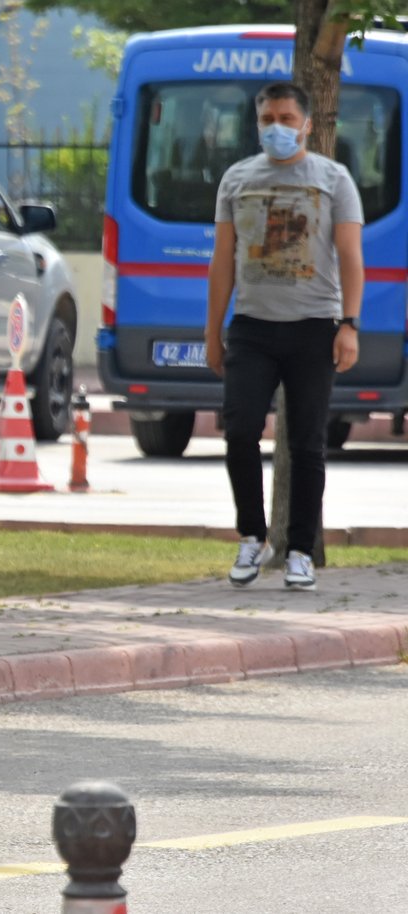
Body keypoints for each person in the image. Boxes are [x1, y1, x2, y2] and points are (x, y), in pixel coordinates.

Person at [206, 81, 363, 592]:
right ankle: (253, 536)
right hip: (252, 327)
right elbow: (222, 261)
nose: (277, 127)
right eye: (269, 118)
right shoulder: (237, 179)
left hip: (314, 326)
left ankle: (300, 550)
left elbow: (350, 257)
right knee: (239, 429)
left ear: (308, 124)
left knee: (307, 442)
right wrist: (214, 333)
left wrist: (349, 324)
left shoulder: (332, 178)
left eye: (287, 119)